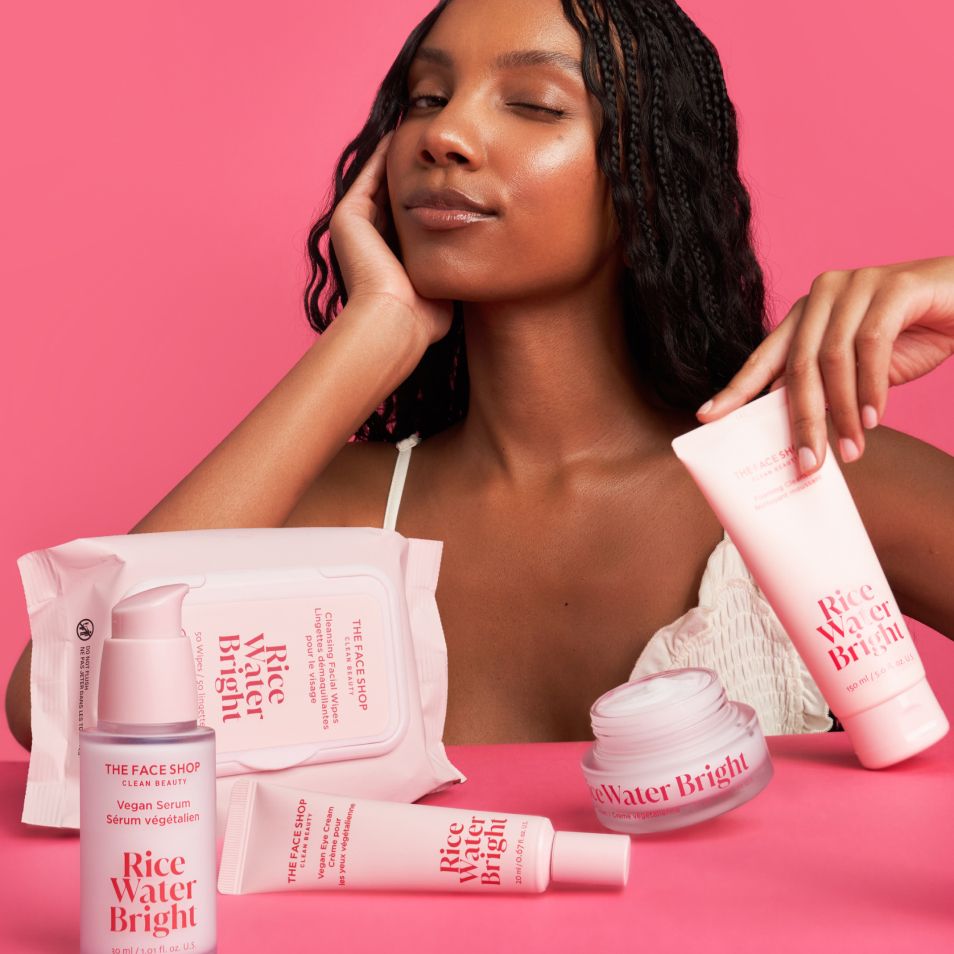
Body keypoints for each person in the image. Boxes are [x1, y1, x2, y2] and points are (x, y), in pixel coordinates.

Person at [6, 0, 954, 747]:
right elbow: (54, 704)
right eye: (426, 98)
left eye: (534, 104)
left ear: (649, 175)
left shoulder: (807, 474)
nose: (443, 135)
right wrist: (370, 337)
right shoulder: (344, 515)